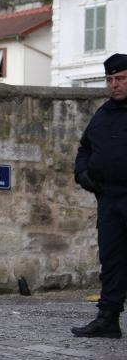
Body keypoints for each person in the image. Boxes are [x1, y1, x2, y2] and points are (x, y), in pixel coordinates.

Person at [72, 52, 127, 338]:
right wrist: (83, 174)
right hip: (108, 199)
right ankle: (108, 319)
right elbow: (85, 148)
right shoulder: (103, 114)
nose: (114, 85)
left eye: (120, 78)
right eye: (109, 79)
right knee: (112, 260)